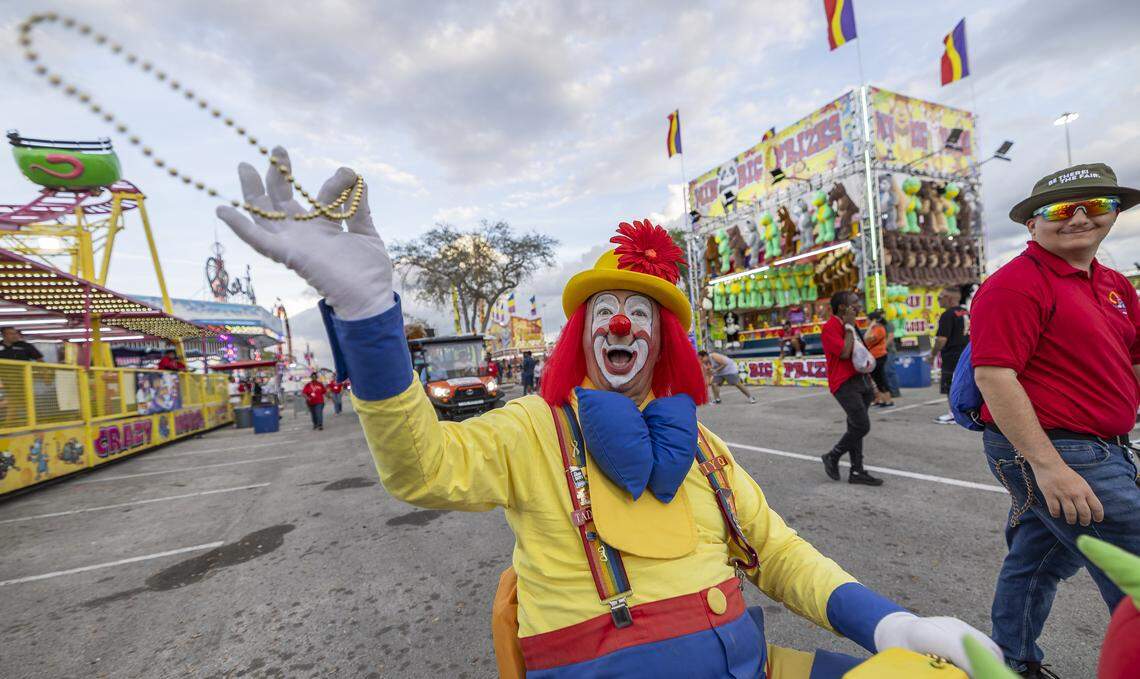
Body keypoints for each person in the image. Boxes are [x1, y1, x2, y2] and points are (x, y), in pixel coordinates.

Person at [218, 161, 1000, 679]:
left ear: (662, 342)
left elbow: (778, 554)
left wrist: (891, 624)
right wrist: (370, 320)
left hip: (744, 661)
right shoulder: (532, 426)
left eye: (640, 314)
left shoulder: (703, 444)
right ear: (581, 336)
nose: (622, 325)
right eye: (606, 311)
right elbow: (422, 467)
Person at [970, 163, 1140, 677]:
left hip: (1104, 444)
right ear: (1033, 223)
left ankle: (1010, 661)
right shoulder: (1014, 286)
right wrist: (1047, 466)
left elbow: (1131, 359)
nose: (1080, 218)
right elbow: (996, 378)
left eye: (1097, 206)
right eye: (1064, 209)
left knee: (1037, 559)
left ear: (1115, 214)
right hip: (1058, 448)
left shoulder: (1113, 284)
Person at [819, 291, 882, 486]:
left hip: (860, 381)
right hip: (844, 383)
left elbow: (861, 356)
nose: (859, 305)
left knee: (855, 427)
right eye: (854, 303)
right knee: (862, 425)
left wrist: (872, 383)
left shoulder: (851, 325)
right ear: (842, 308)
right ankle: (832, 455)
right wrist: (847, 326)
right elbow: (845, 353)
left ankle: (857, 470)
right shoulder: (831, 327)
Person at [932, 286, 970, 425]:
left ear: (949, 298)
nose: (938, 300)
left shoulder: (947, 314)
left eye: (940, 297)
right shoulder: (965, 312)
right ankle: (965, 412)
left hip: (952, 356)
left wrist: (932, 355)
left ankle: (953, 414)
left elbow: (942, 339)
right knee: (965, 384)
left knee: (950, 385)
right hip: (966, 354)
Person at [863, 310, 894, 408]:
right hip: (875, 356)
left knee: (880, 378)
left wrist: (870, 327)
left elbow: (866, 338)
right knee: (876, 378)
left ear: (873, 320)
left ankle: (888, 400)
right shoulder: (875, 328)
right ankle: (881, 400)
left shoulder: (878, 329)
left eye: (868, 319)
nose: (866, 321)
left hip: (879, 356)